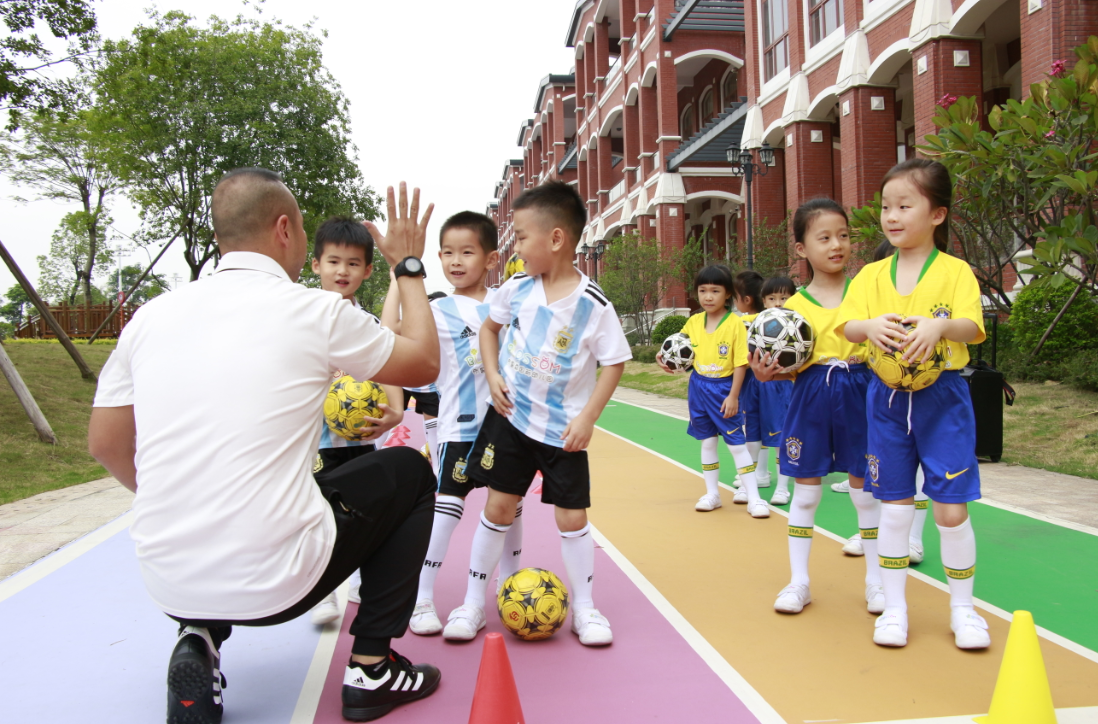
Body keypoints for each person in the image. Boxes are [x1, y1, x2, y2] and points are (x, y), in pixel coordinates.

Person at [88, 170, 443, 723]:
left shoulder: (150, 318)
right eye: (302, 227)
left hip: (167, 578)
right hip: (278, 583)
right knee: (410, 471)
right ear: (284, 229)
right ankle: (372, 666)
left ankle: (199, 639)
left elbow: (105, 444)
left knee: (227, 492)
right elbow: (423, 362)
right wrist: (409, 265)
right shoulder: (313, 311)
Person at [441, 181, 631, 646]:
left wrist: (587, 417)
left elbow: (614, 363)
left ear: (557, 239)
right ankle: (472, 604)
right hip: (510, 422)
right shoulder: (516, 290)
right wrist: (493, 374)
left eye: (522, 237)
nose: (516, 247)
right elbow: (489, 331)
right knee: (498, 508)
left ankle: (585, 610)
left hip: (562, 430)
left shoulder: (593, 305)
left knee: (572, 518)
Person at [837, 159, 989, 650]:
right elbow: (849, 327)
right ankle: (896, 610)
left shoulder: (955, 272)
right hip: (884, 400)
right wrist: (870, 328)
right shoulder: (870, 276)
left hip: (943, 398)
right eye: (886, 207)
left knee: (949, 511)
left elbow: (971, 326)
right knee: (895, 510)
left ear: (937, 214)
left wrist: (940, 326)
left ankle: (963, 609)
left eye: (905, 205)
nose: (892, 216)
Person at [382, 211, 526, 637]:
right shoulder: (437, 310)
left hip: (507, 427)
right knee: (446, 511)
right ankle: (421, 596)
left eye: (467, 252)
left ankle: (505, 590)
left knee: (510, 511)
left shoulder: (508, 303)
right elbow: (391, 330)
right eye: (447, 253)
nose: (455, 261)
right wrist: (399, 272)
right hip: (460, 428)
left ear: (492, 257)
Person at [752, 197, 883, 618]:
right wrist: (763, 373)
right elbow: (777, 369)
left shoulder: (867, 294)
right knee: (806, 495)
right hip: (810, 397)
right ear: (801, 249)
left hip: (862, 392)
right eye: (824, 237)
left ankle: (877, 583)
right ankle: (799, 582)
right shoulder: (790, 311)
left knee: (867, 495)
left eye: (844, 236)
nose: (836, 245)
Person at [307, 216, 405, 626]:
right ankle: (322, 592)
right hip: (315, 443)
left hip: (361, 439)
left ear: (367, 271)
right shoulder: (302, 317)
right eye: (333, 261)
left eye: (352, 263)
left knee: (366, 513)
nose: (342, 271)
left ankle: (364, 581)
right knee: (320, 515)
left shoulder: (366, 323)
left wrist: (395, 412)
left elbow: (387, 365)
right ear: (315, 265)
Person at [657, 264, 768, 518]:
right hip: (698, 387)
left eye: (715, 291)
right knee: (707, 441)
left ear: (728, 293)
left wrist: (733, 396)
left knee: (736, 445)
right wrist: (662, 358)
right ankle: (712, 493)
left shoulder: (735, 324)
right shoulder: (694, 322)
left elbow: (741, 363)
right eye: (703, 290)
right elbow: (677, 349)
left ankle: (754, 498)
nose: (708, 296)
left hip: (724, 388)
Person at [754, 275, 796, 506]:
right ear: (764, 301)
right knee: (757, 434)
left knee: (782, 437)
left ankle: (783, 487)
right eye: (772, 298)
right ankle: (758, 476)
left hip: (784, 385)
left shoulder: (800, 326)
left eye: (784, 297)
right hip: (759, 384)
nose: (778, 303)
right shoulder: (757, 324)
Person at [730, 270, 768, 502]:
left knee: (752, 427)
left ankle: (753, 473)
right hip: (772, 379)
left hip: (751, 379)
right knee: (767, 428)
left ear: (746, 300)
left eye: (735, 298)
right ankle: (761, 472)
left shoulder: (742, 322)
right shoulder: (770, 320)